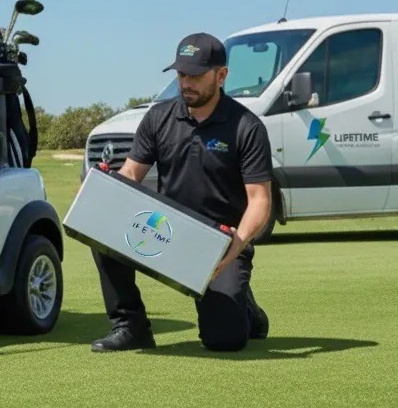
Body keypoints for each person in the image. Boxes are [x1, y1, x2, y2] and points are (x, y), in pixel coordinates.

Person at [90, 32, 273, 353]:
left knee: (224, 340)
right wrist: (110, 189)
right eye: (181, 74)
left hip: (220, 244)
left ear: (221, 75)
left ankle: (244, 308)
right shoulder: (158, 118)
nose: (186, 82)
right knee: (101, 227)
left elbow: (260, 200)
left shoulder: (247, 127)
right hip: (167, 233)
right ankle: (130, 325)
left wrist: (238, 242)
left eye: (195, 75)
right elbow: (132, 172)